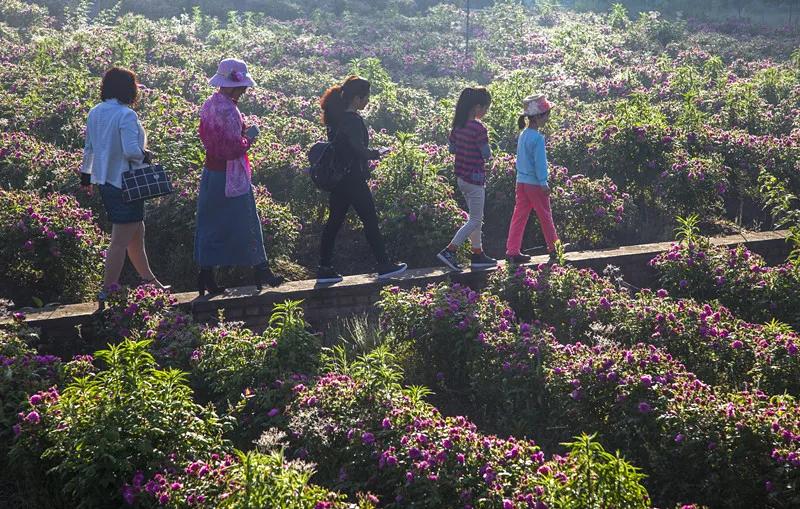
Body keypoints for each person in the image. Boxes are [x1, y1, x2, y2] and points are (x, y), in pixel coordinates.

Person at [80, 67, 167, 309]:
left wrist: (86, 178)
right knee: (119, 241)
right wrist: (146, 155)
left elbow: (89, 148)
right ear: (128, 89)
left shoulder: (95, 112)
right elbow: (131, 151)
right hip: (126, 184)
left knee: (136, 235)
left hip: (106, 183)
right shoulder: (126, 115)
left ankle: (151, 283)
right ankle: (107, 292)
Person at [195, 58, 283, 296]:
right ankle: (261, 269)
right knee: (248, 221)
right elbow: (232, 148)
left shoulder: (210, 104)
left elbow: (208, 138)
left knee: (210, 224)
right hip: (230, 175)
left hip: (211, 173)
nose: (245, 90)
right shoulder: (230, 110)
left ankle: (206, 275)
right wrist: (249, 138)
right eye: (243, 86)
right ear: (234, 85)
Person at [316, 76, 407, 284]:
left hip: (339, 180)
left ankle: (324, 268)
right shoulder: (353, 120)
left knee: (334, 223)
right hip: (353, 179)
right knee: (370, 221)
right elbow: (359, 150)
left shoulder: (336, 118)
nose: (368, 101)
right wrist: (378, 153)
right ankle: (384, 265)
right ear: (357, 98)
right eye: (366, 97)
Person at [436, 87, 496, 272]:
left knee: (475, 218)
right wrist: (490, 156)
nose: (486, 112)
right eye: (485, 108)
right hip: (475, 178)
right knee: (475, 220)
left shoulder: (457, 126)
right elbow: (486, 153)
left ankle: (477, 254)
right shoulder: (478, 128)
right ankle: (450, 251)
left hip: (462, 178)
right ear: (477, 107)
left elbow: (452, 150)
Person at [505, 94, 559, 264]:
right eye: (546, 114)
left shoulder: (523, 135)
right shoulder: (537, 138)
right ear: (537, 117)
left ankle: (512, 250)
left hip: (521, 182)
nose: (548, 117)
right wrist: (544, 182)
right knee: (545, 215)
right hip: (535, 184)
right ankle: (554, 249)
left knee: (519, 215)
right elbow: (540, 164)